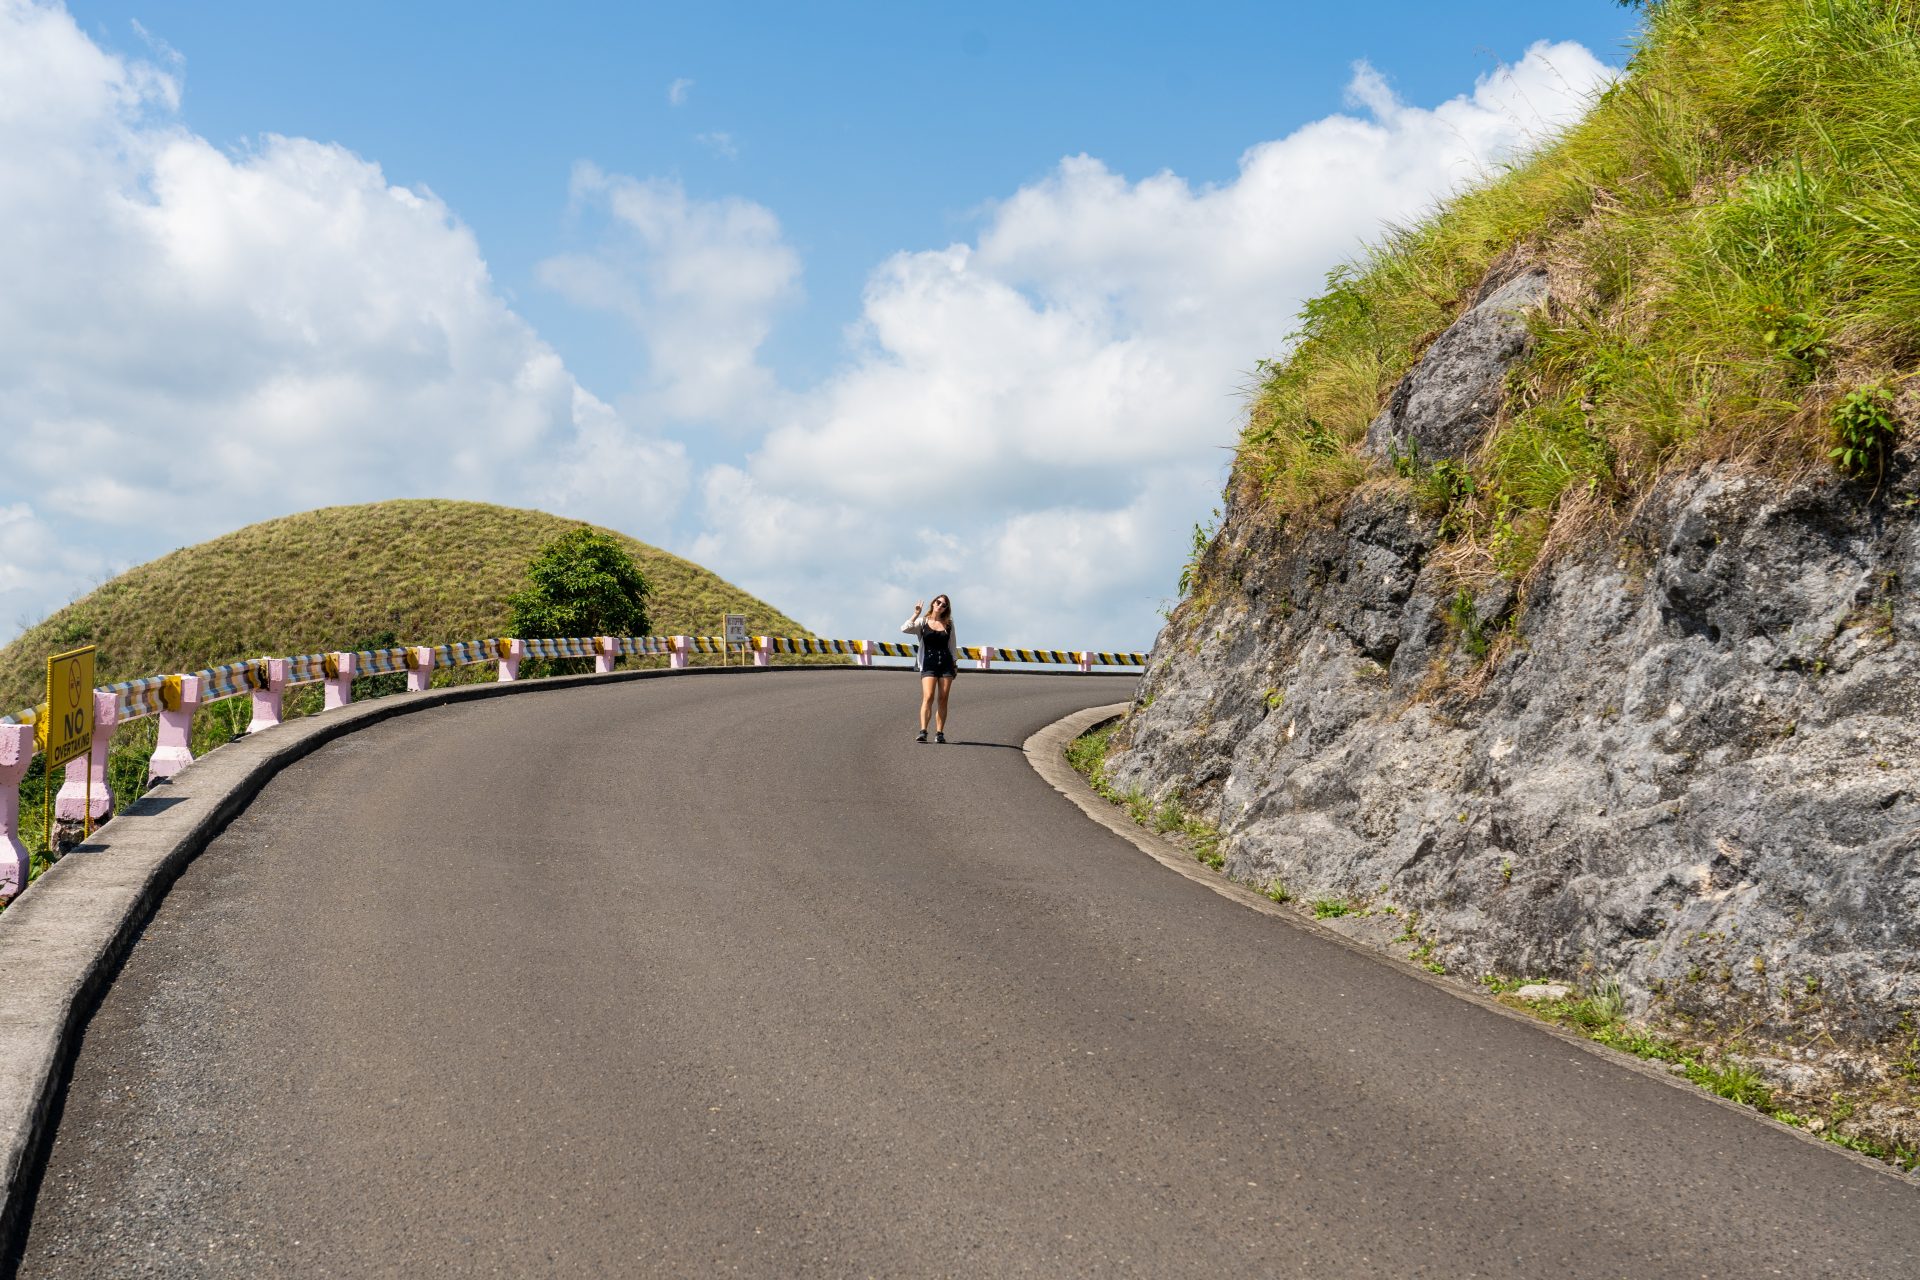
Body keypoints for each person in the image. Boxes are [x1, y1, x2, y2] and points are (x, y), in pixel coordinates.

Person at [902, 594, 959, 743]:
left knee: (943, 699)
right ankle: (923, 731)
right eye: (938, 602)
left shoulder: (949, 624)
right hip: (928, 663)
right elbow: (905, 629)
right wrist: (915, 614)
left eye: (943, 605)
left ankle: (939, 733)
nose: (940, 605)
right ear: (933, 603)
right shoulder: (923, 622)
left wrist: (954, 665)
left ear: (946, 609)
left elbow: (952, 647)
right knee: (928, 696)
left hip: (946, 664)